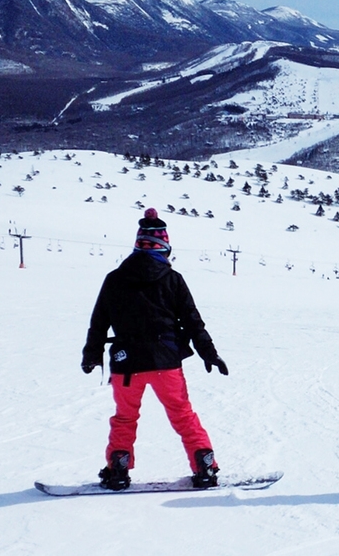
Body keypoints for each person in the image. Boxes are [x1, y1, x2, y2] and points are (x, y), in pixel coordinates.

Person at [81, 208, 228, 490]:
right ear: (165, 246)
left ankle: (118, 469)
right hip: (166, 362)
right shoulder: (173, 279)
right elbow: (193, 321)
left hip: (127, 365)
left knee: (125, 417)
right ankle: (205, 465)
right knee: (183, 414)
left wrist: (91, 355)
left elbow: (99, 321)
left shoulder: (114, 278)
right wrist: (209, 353)